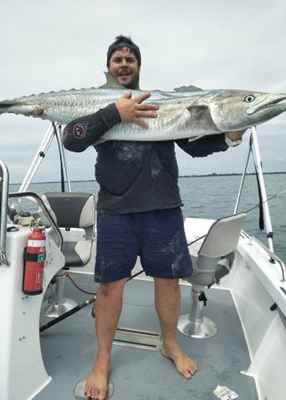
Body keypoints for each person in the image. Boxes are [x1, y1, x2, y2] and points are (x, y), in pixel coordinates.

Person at [63, 35, 245, 400]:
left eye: (130, 58)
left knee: (167, 280)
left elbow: (195, 147)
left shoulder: (160, 104)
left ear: (139, 67)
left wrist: (229, 137)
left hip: (162, 207)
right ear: (109, 67)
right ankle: (102, 359)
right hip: (116, 210)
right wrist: (117, 113)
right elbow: (73, 137)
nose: (124, 63)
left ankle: (170, 344)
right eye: (118, 59)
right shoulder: (101, 109)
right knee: (111, 286)